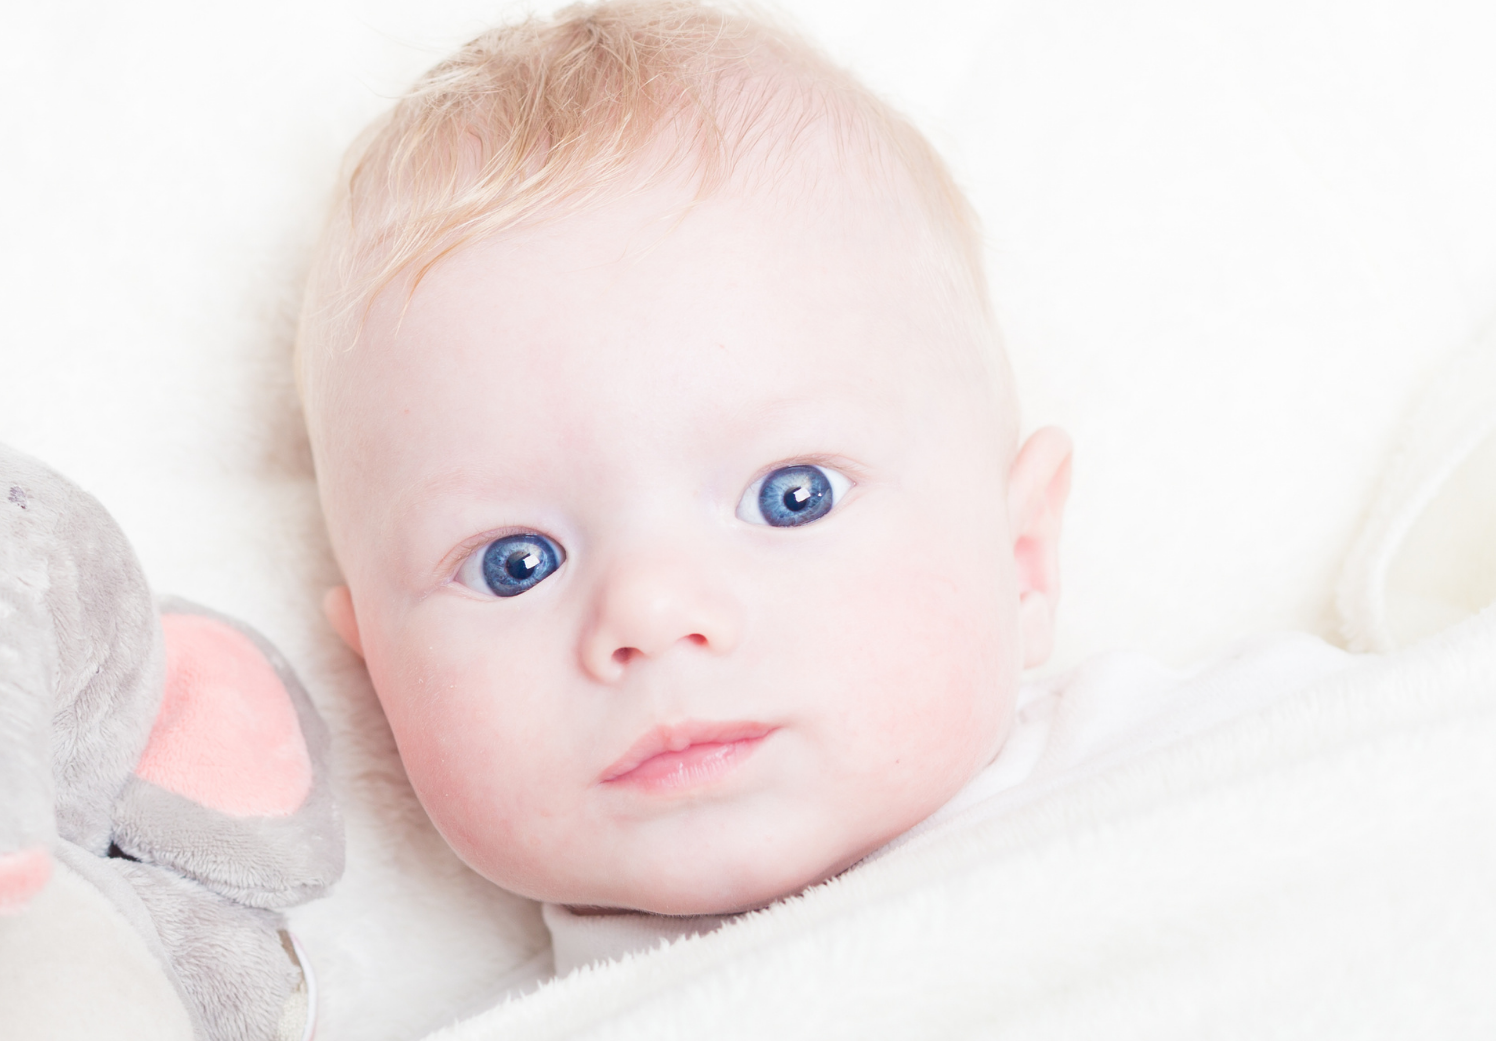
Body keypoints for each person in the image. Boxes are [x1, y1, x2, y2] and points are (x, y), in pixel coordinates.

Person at [296, 0, 1349, 974]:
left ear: (1021, 559)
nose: (651, 614)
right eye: (513, 564)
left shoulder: (1239, 758)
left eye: (789, 496)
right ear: (380, 680)